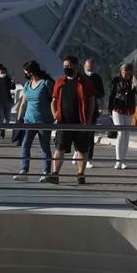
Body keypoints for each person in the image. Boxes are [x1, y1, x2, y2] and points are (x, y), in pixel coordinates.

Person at [47, 56, 96, 185]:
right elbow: (53, 101)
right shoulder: (60, 82)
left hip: (81, 122)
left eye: (69, 66)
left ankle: (81, 174)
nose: (66, 68)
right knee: (60, 148)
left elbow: (91, 100)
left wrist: (89, 118)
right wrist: (55, 116)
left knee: (82, 149)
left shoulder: (85, 82)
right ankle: (55, 174)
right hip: (64, 122)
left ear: (75, 66)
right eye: (64, 66)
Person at [16, 61, 53, 178]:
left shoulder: (46, 83)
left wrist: (56, 116)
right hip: (29, 120)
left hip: (44, 121)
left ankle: (46, 171)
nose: (25, 74)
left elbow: (55, 100)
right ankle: (24, 170)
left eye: (26, 72)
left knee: (45, 146)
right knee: (25, 144)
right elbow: (23, 103)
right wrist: (19, 119)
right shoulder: (27, 84)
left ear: (31, 71)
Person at [107, 63, 137, 170]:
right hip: (117, 109)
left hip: (129, 110)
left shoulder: (133, 81)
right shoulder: (116, 80)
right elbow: (112, 95)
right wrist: (109, 110)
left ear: (131, 72)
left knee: (127, 134)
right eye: (123, 71)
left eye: (127, 71)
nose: (125, 73)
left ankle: (124, 160)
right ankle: (118, 160)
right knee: (121, 132)